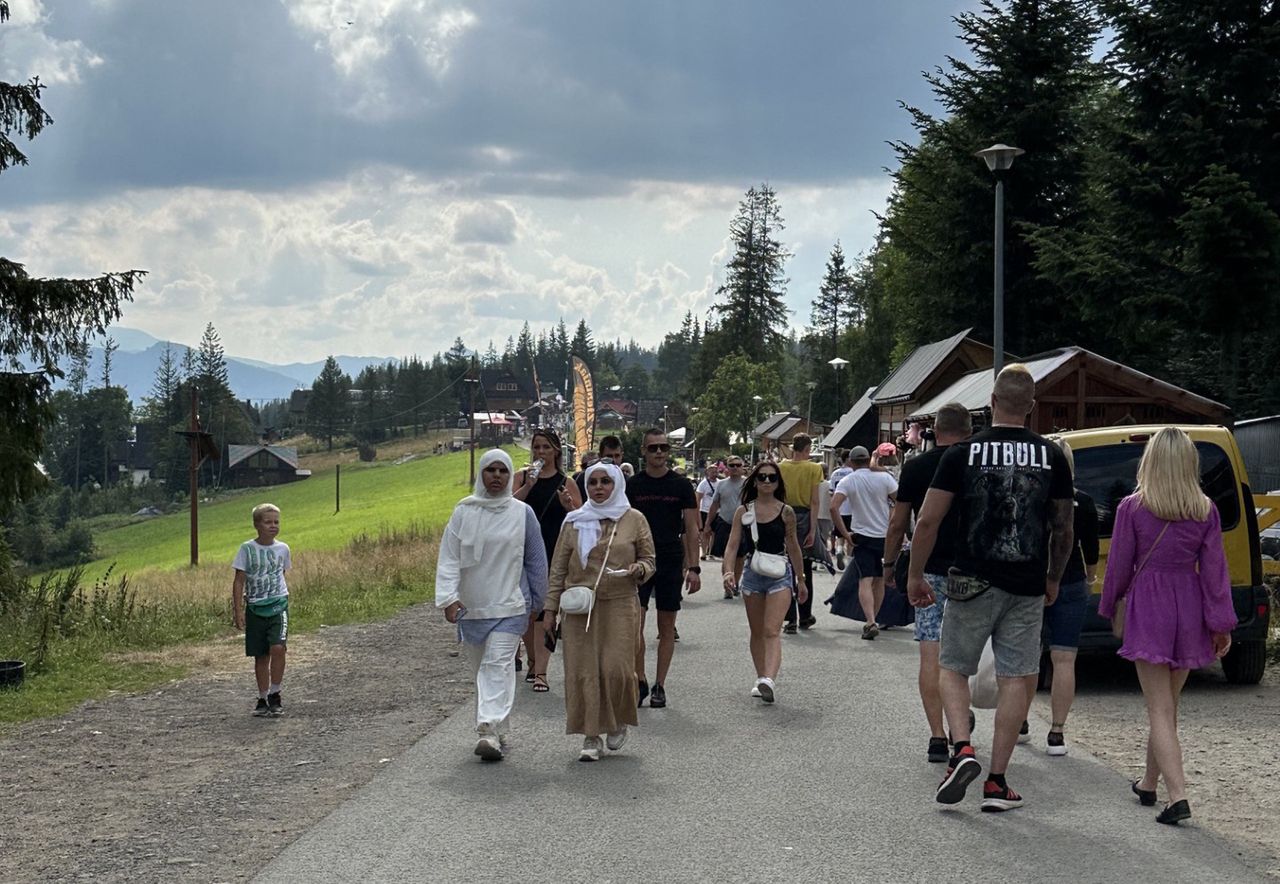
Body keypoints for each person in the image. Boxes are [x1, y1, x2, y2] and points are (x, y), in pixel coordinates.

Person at [906, 364, 1074, 813]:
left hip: (969, 580)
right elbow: (1063, 527)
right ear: (1031, 408)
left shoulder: (961, 454)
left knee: (954, 665)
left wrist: (914, 573)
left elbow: (927, 520)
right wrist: (1054, 578)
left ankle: (961, 746)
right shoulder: (1052, 457)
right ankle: (998, 781)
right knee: (1017, 676)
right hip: (1026, 582)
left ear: (992, 403)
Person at [1098, 427, 1235, 825]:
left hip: (1150, 605)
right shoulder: (1206, 509)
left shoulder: (1132, 507)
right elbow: (1215, 574)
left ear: (1151, 461)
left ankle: (1178, 796)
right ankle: (1149, 783)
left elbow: (1119, 567)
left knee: (1158, 708)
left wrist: (1109, 609)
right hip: (1189, 605)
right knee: (1168, 707)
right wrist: (1221, 623)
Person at [436, 450, 549, 761]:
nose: (497, 476)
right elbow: (449, 558)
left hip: (512, 606)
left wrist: (539, 601)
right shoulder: (463, 512)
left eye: (503, 470)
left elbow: (536, 561)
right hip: (471, 608)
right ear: (481, 475)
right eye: (490, 470)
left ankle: (486, 729)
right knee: (482, 672)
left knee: (496, 666)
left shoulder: (522, 513)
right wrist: (448, 598)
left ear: (511, 474)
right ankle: (500, 725)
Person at [546, 462, 656, 761]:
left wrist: (639, 569)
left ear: (616, 484)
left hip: (620, 603)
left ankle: (617, 720)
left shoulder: (634, 519)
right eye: (593, 482)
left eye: (605, 481)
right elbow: (557, 569)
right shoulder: (573, 521)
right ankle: (591, 735)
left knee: (616, 669)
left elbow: (650, 559)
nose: (598, 487)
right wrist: (549, 610)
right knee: (583, 672)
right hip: (580, 606)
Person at [883, 403, 972, 762]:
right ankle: (960, 727)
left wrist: (890, 566)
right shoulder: (977, 463)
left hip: (931, 570)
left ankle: (938, 735)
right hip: (972, 570)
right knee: (963, 657)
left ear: (935, 429)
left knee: (930, 654)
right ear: (968, 429)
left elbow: (898, 522)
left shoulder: (917, 467)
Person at [1025, 435, 1099, 757]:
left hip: (1032, 582)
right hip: (1073, 581)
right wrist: (1091, 575)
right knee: (1065, 658)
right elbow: (1092, 547)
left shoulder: (1032, 497)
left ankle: (1021, 722)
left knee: (1027, 656)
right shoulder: (1084, 501)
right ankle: (1057, 732)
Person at [627, 428, 701, 709]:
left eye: (664, 448)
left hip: (670, 558)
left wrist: (693, 567)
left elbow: (692, 529)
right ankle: (640, 679)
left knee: (666, 625)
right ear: (644, 451)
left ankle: (660, 684)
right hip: (639, 559)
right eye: (653, 448)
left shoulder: (681, 485)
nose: (659, 452)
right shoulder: (633, 485)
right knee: (636, 624)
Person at [722, 461, 808, 702]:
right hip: (752, 573)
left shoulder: (786, 512)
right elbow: (732, 544)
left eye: (772, 478)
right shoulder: (744, 511)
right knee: (757, 631)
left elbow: (793, 547)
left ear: (778, 482)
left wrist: (801, 580)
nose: (767, 482)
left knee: (772, 630)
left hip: (779, 573)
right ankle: (761, 678)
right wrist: (728, 571)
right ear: (755, 480)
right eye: (762, 477)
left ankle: (769, 678)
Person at [512, 428, 582, 692]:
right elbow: (505, 509)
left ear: (556, 451)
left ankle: (541, 671)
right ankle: (532, 660)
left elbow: (580, 518)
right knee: (527, 613)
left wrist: (569, 507)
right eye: (537, 447)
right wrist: (528, 486)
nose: (540, 452)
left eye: (546, 447)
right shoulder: (520, 477)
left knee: (546, 613)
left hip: (554, 552)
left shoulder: (566, 482)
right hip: (522, 553)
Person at [831, 446, 898, 640]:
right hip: (885, 536)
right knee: (879, 580)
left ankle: (870, 621)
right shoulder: (885, 478)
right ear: (868, 458)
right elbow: (900, 500)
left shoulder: (848, 480)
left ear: (850, 462)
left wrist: (845, 533)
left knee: (865, 580)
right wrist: (896, 525)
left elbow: (834, 507)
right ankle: (873, 619)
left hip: (861, 535)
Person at [232, 503, 292, 717]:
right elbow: (239, 580)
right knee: (261, 655)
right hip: (255, 607)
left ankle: (276, 692)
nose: (273, 526)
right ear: (257, 525)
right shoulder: (246, 549)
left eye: (276, 522)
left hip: (278, 605)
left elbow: (281, 573)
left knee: (278, 647)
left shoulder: (283, 549)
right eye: (268, 522)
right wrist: (238, 610)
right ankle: (263, 696)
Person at [777, 434, 824, 633]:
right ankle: (805, 615)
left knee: (785, 567)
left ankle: (790, 619)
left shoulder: (780, 467)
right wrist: (813, 529)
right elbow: (814, 502)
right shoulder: (814, 468)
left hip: (782, 513)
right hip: (804, 517)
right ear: (807, 449)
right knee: (804, 568)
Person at [702, 456, 748, 598]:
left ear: (742, 466)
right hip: (725, 522)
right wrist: (708, 524)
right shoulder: (721, 485)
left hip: (743, 524)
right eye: (731, 465)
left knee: (740, 556)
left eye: (737, 465)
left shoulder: (748, 483)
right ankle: (727, 586)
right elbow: (715, 505)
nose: (735, 468)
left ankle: (736, 583)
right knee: (726, 556)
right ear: (727, 468)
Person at [829, 449, 858, 569]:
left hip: (839, 510)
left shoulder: (835, 474)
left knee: (840, 535)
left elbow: (831, 493)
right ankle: (850, 560)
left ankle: (839, 550)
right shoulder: (854, 473)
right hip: (852, 510)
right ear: (848, 459)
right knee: (851, 537)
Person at [695, 465, 718, 560]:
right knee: (705, 532)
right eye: (712, 471)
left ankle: (711, 552)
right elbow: (698, 499)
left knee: (714, 533)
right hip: (705, 510)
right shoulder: (703, 484)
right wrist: (698, 513)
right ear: (707, 472)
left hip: (717, 511)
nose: (714, 473)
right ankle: (703, 552)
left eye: (715, 471)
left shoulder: (720, 483)